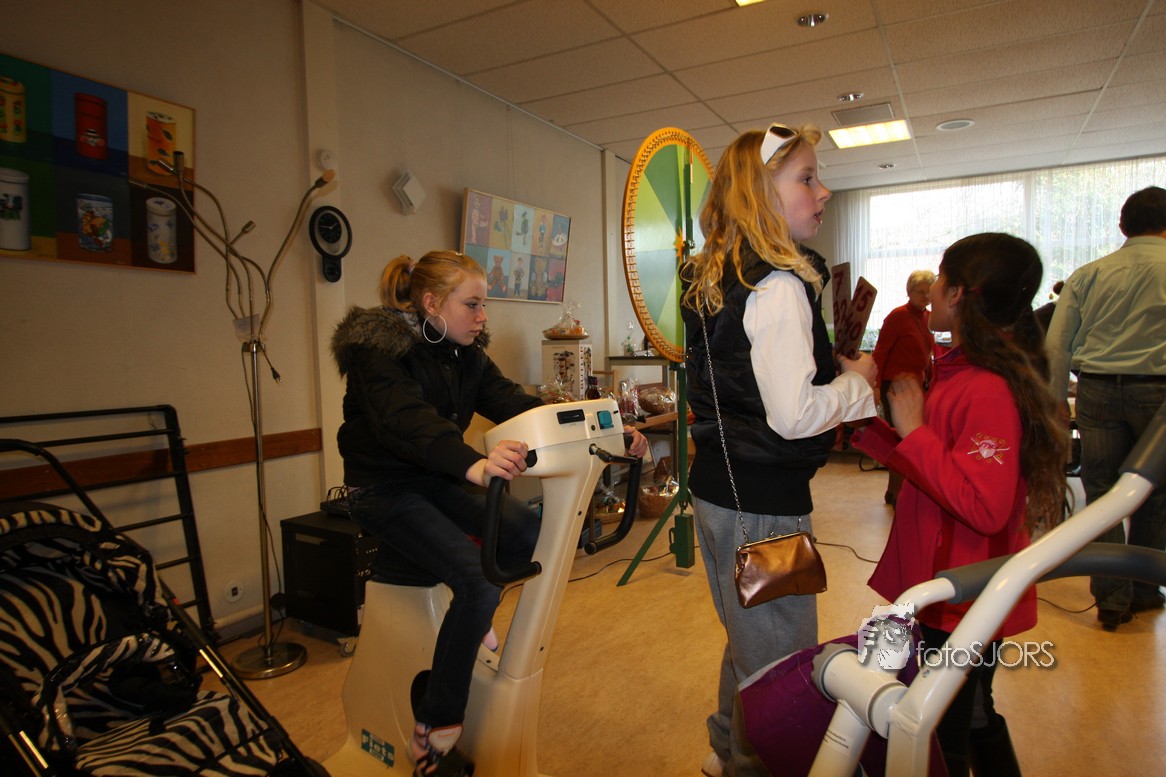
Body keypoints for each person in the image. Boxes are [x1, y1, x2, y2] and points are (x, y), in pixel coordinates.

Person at [330, 249, 647, 776]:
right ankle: (434, 725)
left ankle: (468, 620)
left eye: (483, 305)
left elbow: (514, 403)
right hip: (383, 490)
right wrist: (473, 465)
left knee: (527, 535)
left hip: (435, 480)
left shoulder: (466, 356)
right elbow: (405, 420)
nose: (482, 317)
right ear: (432, 304)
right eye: (472, 305)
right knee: (478, 582)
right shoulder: (377, 352)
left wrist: (611, 431)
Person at [680, 122, 877, 777]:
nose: (824, 192)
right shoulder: (780, 286)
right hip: (762, 504)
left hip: (721, 489)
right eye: (807, 178)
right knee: (782, 661)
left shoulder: (719, 276)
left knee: (749, 637)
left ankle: (727, 749)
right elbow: (793, 416)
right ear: (759, 193)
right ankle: (753, 764)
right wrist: (857, 384)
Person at [851, 233, 1067, 777]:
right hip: (950, 584)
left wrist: (915, 431)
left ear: (959, 294)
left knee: (952, 718)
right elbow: (942, 468)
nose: (934, 286)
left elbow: (984, 507)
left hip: (966, 592)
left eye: (942, 275)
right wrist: (879, 430)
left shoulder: (987, 387)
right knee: (963, 712)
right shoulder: (961, 371)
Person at [1044, 186, 1166, 631]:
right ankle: (1146, 588)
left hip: (1095, 390)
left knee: (1102, 490)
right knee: (1157, 492)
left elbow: (1057, 344)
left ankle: (1112, 598)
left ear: (1122, 226)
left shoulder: (1089, 273)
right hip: (1159, 393)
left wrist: (1056, 401)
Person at [870, 269, 936, 506]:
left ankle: (893, 491)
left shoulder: (927, 317)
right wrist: (876, 387)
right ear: (909, 291)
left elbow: (927, 353)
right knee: (901, 441)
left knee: (908, 440)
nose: (925, 297)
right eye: (920, 292)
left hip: (916, 385)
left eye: (928, 292)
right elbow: (880, 353)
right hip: (895, 387)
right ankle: (898, 493)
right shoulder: (898, 316)